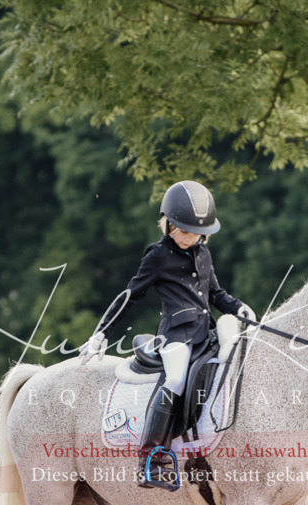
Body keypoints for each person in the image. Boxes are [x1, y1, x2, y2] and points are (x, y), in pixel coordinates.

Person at [79, 180, 255, 487]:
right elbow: (130, 295)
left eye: (197, 233)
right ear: (169, 224)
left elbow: (215, 293)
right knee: (175, 380)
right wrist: (101, 333)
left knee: (221, 375)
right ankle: (151, 457)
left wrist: (238, 306)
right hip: (176, 335)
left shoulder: (203, 254)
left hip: (207, 334)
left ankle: (201, 450)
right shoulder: (158, 255)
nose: (190, 238)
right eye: (184, 231)